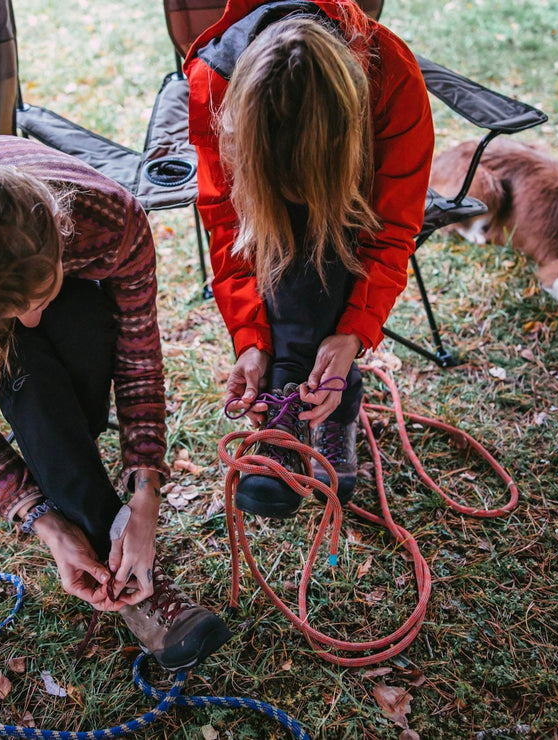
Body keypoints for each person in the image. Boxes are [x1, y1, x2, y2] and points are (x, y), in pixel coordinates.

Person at [0, 135, 231, 671]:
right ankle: (121, 564)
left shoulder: (109, 220)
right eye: (16, 311)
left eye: (39, 298)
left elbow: (139, 354)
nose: (31, 319)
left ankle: (79, 469)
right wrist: (44, 522)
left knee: (75, 328)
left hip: (64, 262)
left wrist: (146, 486)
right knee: (25, 372)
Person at [184, 0, 434, 517]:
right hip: (270, 236)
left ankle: (317, 401)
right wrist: (250, 341)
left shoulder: (392, 78)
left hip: (349, 221)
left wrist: (354, 335)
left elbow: (392, 230)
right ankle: (305, 400)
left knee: (326, 239)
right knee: (277, 239)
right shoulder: (215, 84)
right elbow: (227, 227)